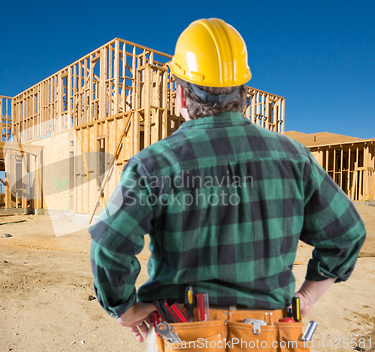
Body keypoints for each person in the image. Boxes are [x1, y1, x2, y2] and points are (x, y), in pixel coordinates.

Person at [89, 17, 366, 346]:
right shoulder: (295, 159)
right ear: (244, 92)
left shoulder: (152, 166)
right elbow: (347, 235)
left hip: (182, 335)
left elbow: (108, 245)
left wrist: (125, 309)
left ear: (180, 94)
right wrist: (304, 299)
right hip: (270, 338)